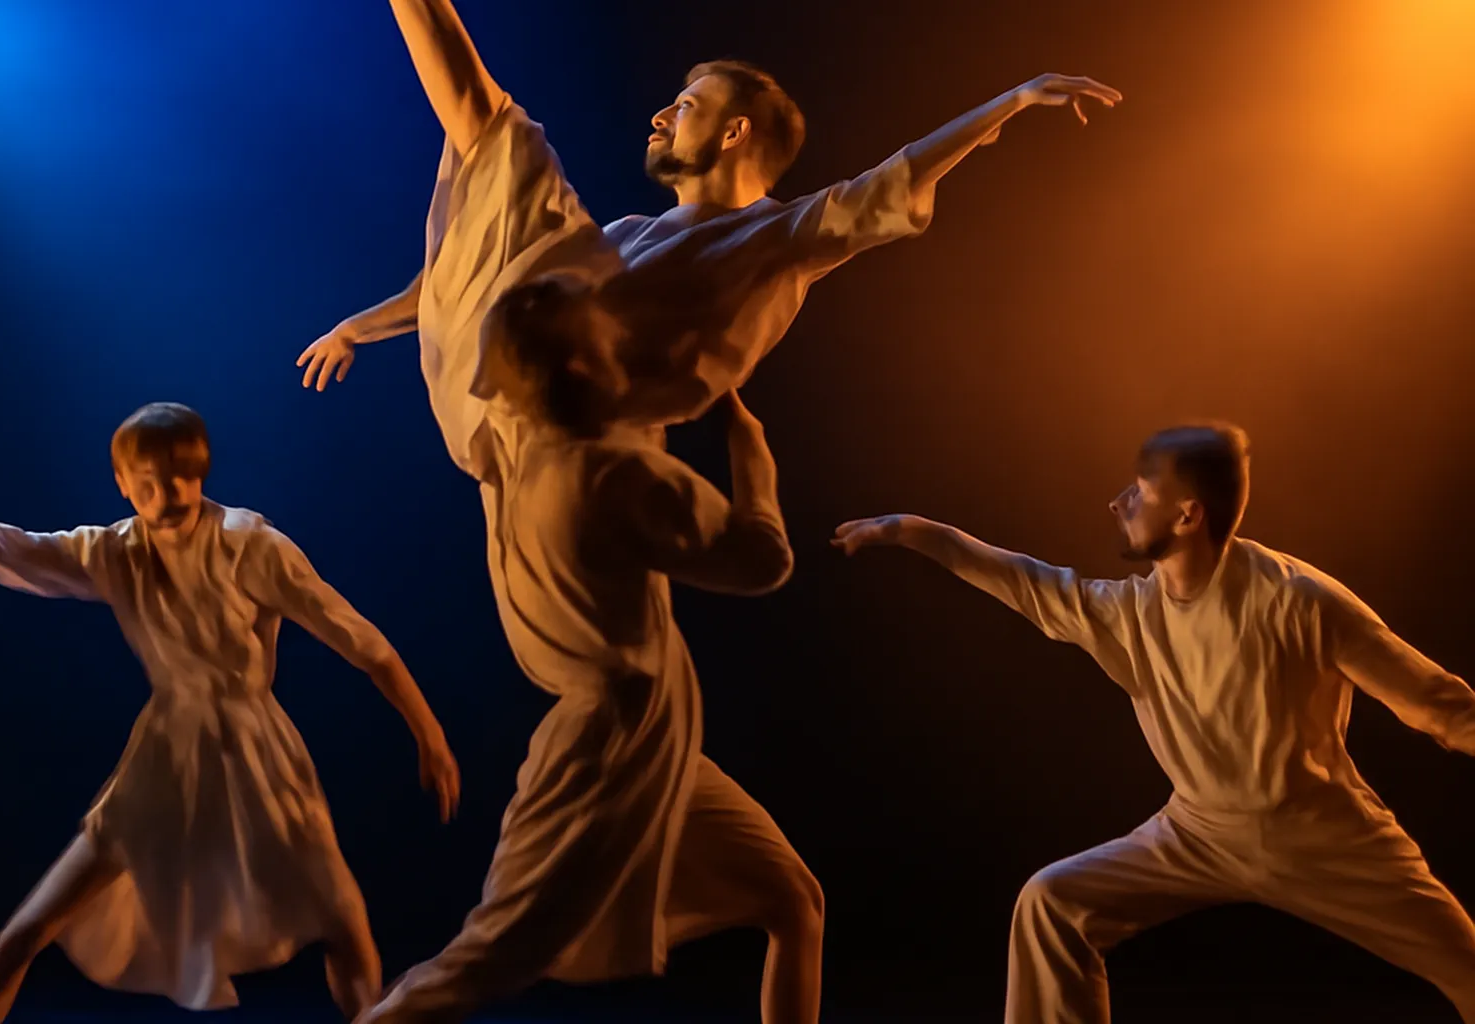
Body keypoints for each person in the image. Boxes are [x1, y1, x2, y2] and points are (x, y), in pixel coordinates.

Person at [295, 0, 1121, 486]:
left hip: (568, 442)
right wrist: (355, 328)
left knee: (506, 139)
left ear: (734, 133)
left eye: (686, 106)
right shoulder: (624, 236)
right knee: (507, 169)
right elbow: (470, 273)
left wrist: (1011, 104)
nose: (661, 115)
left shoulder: (779, 235)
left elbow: (892, 179)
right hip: (506, 395)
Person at [831, 423, 1475, 1023]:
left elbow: (1438, 705)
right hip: (1198, 832)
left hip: (1321, 838)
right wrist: (915, 532)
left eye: (1140, 492)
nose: (1119, 503)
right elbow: (1025, 583)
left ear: (1188, 514)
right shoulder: (1133, 614)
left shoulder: (1298, 602)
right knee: (1052, 903)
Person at [354, 289, 817, 1024]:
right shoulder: (617, 476)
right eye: (608, 346)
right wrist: (748, 445)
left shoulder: (515, 455)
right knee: (486, 960)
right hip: (614, 748)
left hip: (650, 736)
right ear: (578, 366)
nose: (621, 355)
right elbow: (763, 560)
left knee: (792, 898)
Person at [0, 402, 461, 1023]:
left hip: (256, 754)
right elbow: (5, 550)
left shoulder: (248, 545)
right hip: (167, 756)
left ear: (203, 470)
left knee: (344, 923)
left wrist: (429, 734)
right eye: (150, 482)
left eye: (183, 477)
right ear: (122, 483)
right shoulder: (114, 552)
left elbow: (362, 642)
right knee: (27, 929)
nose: (169, 494)